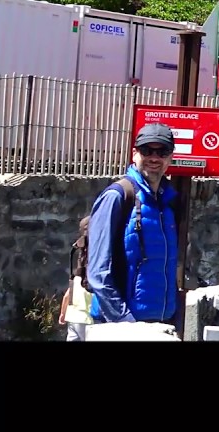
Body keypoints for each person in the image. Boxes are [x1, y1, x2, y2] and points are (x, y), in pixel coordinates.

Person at [86, 123, 183, 328]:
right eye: (147, 150)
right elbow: (98, 271)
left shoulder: (169, 201)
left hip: (161, 322)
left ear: (170, 157)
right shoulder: (118, 196)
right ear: (134, 154)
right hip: (121, 324)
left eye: (162, 151)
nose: (154, 158)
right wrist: (123, 321)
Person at [58, 215, 94, 341]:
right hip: (88, 319)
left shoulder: (77, 278)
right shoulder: (93, 280)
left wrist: (63, 313)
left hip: (72, 318)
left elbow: (67, 295)